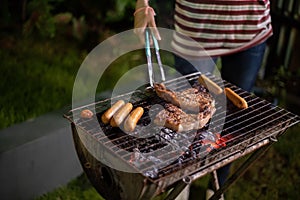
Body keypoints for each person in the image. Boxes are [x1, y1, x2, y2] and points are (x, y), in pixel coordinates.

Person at [134, 0, 272, 198]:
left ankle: (216, 188)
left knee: (233, 117)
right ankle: (181, 185)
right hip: (195, 27)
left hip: (249, 27)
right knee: (182, 117)